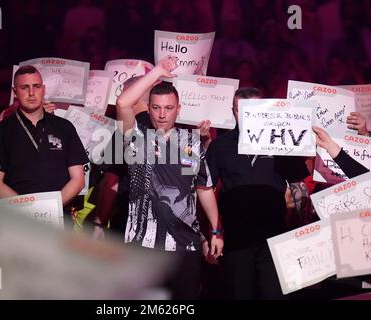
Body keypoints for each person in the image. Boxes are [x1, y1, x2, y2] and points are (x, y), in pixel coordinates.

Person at [116, 55, 223, 299]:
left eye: (168, 108)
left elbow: (203, 189)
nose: (162, 114)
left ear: (178, 109)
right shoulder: (137, 140)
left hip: (184, 246)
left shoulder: (190, 144)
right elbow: (123, 103)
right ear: (148, 108)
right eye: (156, 107)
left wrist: (216, 232)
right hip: (142, 247)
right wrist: (159, 71)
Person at [206, 87, 310, 299]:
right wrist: (214, 232)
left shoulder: (281, 140)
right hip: (236, 239)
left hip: (275, 238)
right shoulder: (220, 146)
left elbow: (298, 186)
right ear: (232, 111)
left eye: (252, 111)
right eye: (239, 111)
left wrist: (304, 228)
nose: (245, 117)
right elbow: (205, 188)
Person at [0, 65, 88, 226]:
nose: (31, 93)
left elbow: (78, 180)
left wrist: (49, 211)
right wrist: (28, 212)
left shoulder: (64, 127)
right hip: (17, 221)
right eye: (24, 87)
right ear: (15, 92)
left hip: (58, 220)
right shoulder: (1, 130)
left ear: (43, 89)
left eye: (36, 86)